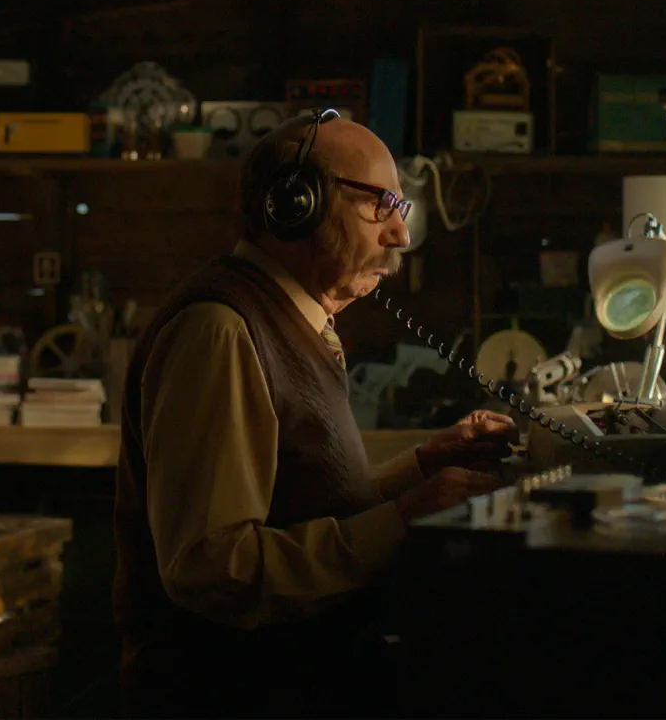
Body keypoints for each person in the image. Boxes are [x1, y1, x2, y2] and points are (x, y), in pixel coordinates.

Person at [113, 109, 517, 718]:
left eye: (401, 208)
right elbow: (211, 567)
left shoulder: (296, 318)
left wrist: (421, 469)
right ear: (294, 205)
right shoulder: (222, 330)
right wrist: (404, 519)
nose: (401, 235)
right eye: (380, 204)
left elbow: (295, 502)